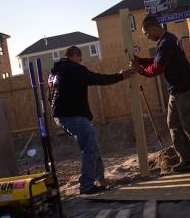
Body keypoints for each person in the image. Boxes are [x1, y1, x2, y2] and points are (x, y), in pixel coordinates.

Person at [48, 46, 136, 195]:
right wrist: (121, 76)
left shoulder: (55, 73)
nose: (81, 61)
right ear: (76, 56)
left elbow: (50, 96)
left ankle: (99, 178)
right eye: (80, 58)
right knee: (89, 148)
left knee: (91, 145)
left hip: (61, 116)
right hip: (72, 116)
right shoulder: (74, 69)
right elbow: (98, 78)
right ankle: (87, 186)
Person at [134, 15, 190, 172]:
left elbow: (157, 68)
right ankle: (188, 159)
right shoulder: (165, 42)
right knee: (174, 125)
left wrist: (140, 70)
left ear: (153, 28)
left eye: (147, 33)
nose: (147, 36)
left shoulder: (167, 43)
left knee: (189, 126)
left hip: (186, 91)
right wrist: (142, 61)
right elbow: (157, 61)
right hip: (177, 91)